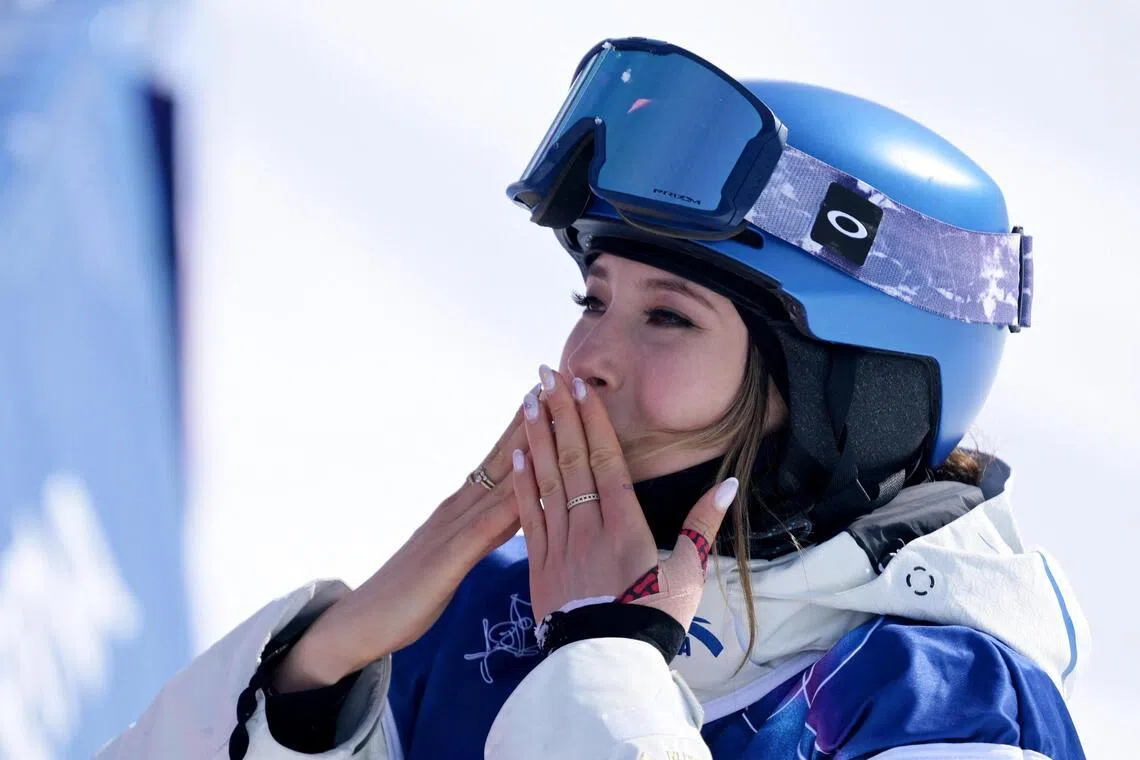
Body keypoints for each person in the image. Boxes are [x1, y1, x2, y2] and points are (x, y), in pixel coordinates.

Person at [99, 38, 1089, 760]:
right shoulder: (489, 617)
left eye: (669, 316)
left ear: (852, 399)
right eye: (594, 298)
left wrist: (604, 665)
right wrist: (316, 678)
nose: (589, 359)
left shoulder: (945, 708)